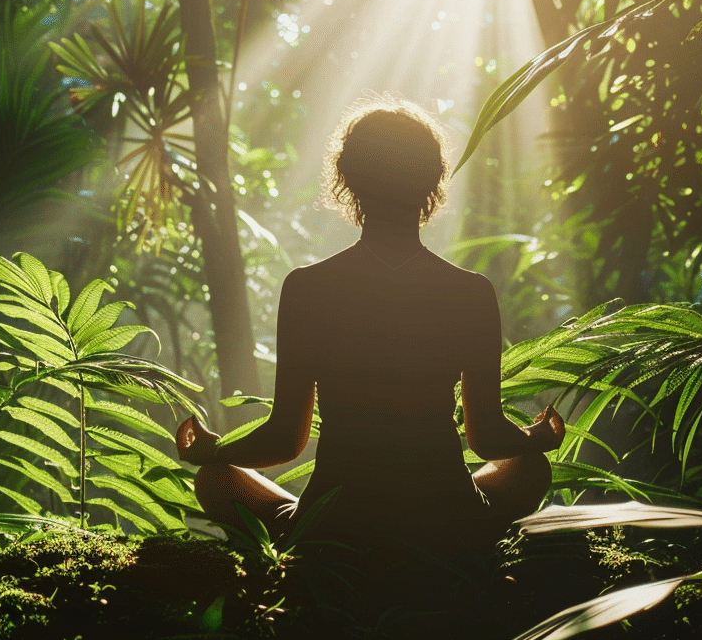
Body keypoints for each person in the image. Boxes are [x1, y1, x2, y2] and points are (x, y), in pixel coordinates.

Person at [176, 97, 564, 552]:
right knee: (531, 468)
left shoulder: (307, 289)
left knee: (217, 480)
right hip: (446, 515)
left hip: (337, 519)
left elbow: (285, 440)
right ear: (432, 181)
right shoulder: (469, 292)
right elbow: (488, 439)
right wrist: (536, 436)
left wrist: (214, 452)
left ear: (349, 179)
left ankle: (297, 534)